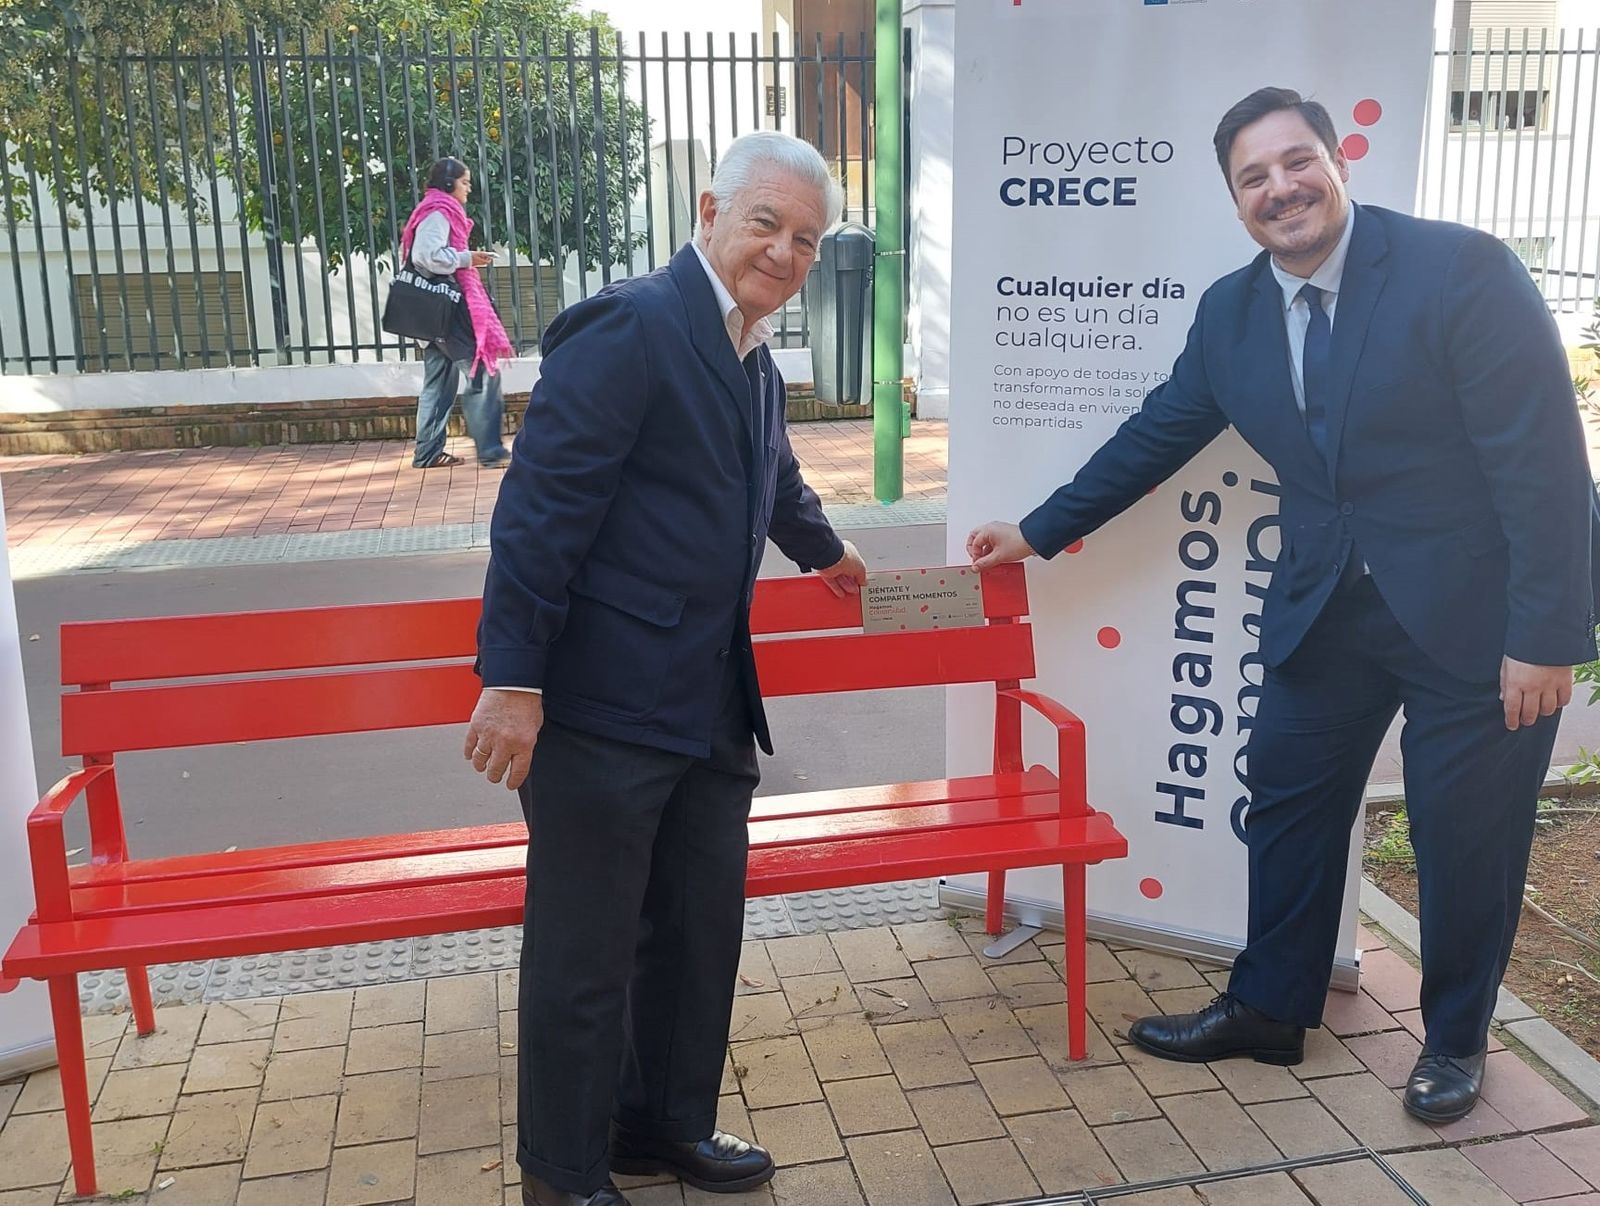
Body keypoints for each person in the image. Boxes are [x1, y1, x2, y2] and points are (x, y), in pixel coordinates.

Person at [967, 87, 1600, 1125]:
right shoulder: (1231, 312)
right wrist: (1036, 529)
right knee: (1287, 808)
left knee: (1463, 840)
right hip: (1325, 616)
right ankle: (1269, 1007)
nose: (1280, 189)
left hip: (1473, 621)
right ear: (1233, 199)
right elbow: (1157, 432)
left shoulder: (1458, 271)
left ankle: (1451, 1044)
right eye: (1253, 177)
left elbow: (1539, 463)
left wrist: (1543, 636)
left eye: (1296, 161)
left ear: (1337, 161)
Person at [462, 130, 868, 1206]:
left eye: (805, 238)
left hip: (705, 702)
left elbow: (769, 470)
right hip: (598, 709)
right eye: (765, 224)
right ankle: (564, 1171)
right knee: (585, 959)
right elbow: (537, 515)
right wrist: (511, 679)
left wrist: (826, 551)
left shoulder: (748, 344)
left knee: (696, 938)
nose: (784, 252)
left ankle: (662, 1127)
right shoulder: (631, 327)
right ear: (707, 212)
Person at [398, 156, 512, 468]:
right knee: (483, 373)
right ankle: (490, 452)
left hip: (434, 311)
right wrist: (467, 258)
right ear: (448, 184)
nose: (468, 188)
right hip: (449, 311)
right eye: (465, 182)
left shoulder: (430, 210)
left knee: (439, 381)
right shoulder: (439, 211)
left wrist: (465, 258)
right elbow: (427, 255)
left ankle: (427, 453)